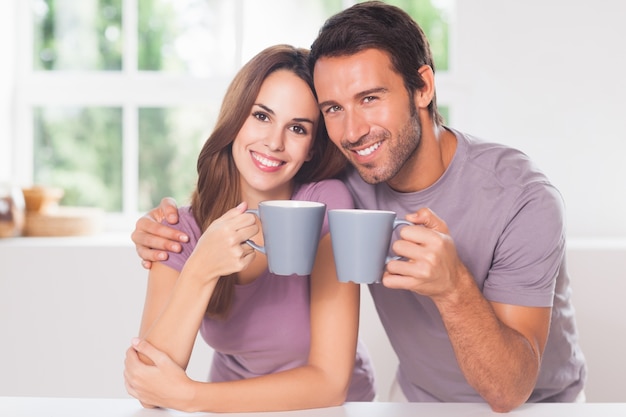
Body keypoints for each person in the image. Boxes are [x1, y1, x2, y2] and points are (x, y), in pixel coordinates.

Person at [131, 2, 586, 412]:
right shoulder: (346, 177)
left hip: (540, 406)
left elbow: (509, 391)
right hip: (417, 399)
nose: (352, 131)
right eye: (332, 108)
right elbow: (261, 175)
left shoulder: (521, 199)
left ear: (423, 86)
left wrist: (453, 287)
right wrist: (168, 236)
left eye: (370, 98)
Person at [123, 44, 376, 413]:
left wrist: (190, 396)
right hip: (232, 406)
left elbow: (330, 383)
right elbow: (149, 383)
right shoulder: (182, 227)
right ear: (235, 117)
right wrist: (201, 269)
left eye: (297, 128)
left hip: (325, 410)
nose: (274, 142)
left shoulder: (327, 204)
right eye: (261, 116)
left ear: (311, 148)